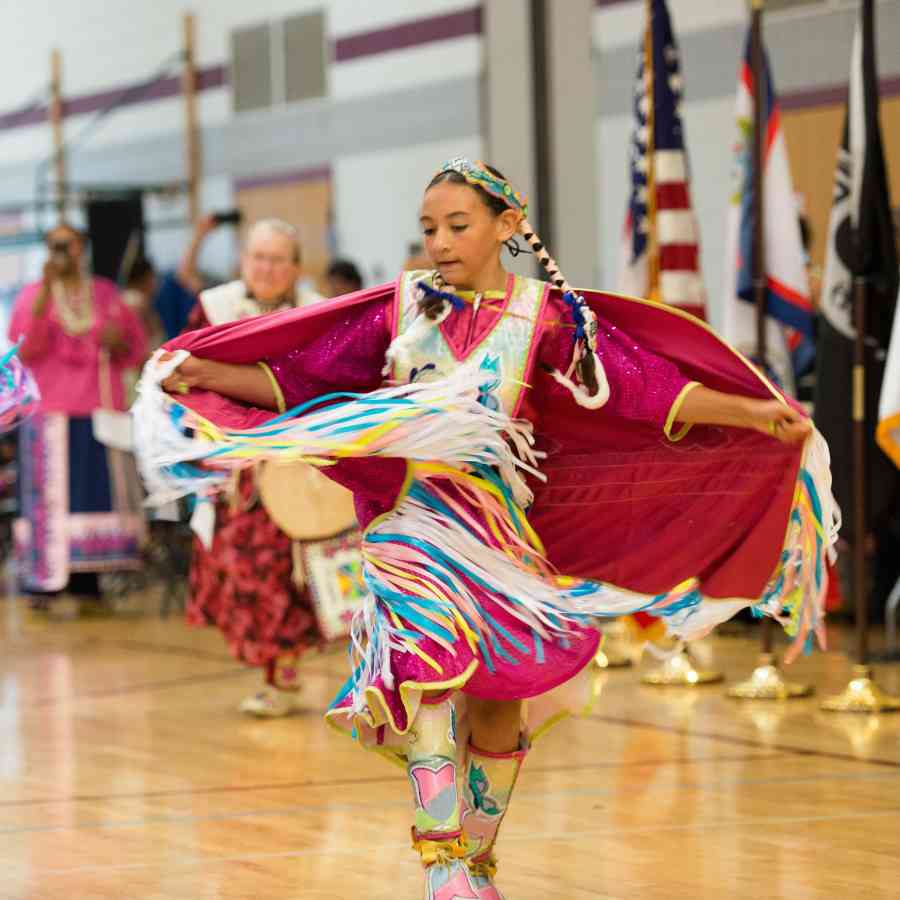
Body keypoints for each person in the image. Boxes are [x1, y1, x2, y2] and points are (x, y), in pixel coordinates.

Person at [137, 160, 836, 898]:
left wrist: (751, 413)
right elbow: (303, 382)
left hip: (501, 537)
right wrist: (207, 375)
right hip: (411, 525)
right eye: (429, 228)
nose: (439, 242)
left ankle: (473, 857)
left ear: (508, 226)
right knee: (430, 673)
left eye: (457, 226)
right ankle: (442, 865)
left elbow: (643, 386)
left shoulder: (546, 317)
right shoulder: (401, 309)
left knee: (500, 705)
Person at [181, 218, 352, 718]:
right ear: (243, 261)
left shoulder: (320, 313)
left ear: (296, 267)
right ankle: (279, 674)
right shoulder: (215, 309)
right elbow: (183, 376)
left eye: (278, 259)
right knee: (249, 572)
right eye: (258, 257)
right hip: (238, 466)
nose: (266, 268)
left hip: (305, 467)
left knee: (308, 574)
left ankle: (310, 678)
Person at [9, 222, 147, 607]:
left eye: (69, 245)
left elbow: (135, 348)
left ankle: (89, 580)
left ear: (82, 247)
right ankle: (44, 583)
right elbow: (26, 349)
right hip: (48, 417)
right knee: (47, 504)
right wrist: (41, 300)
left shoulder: (105, 294)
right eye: (55, 245)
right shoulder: (32, 296)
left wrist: (117, 341)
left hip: (94, 412)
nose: (62, 253)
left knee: (90, 499)